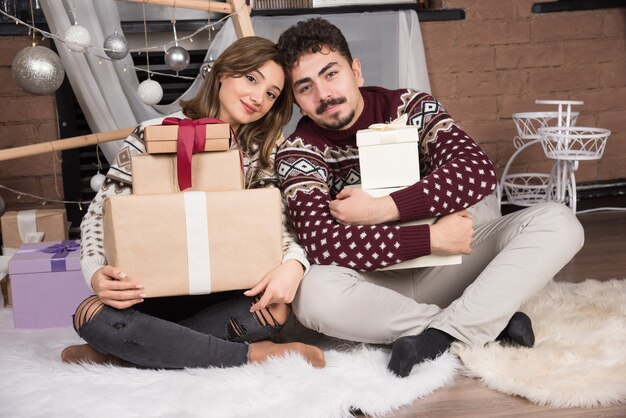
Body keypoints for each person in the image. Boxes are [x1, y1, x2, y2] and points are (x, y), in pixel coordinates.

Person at [273, 18, 584, 377]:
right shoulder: (298, 151)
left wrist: (380, 209)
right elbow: (325, 245)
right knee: (312, 295)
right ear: (295, 99)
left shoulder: (409, 106)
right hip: (370, 284)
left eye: (331, 74)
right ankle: (475, 325)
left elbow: (476, 171)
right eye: (305, 87)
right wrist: (430, 236)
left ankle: (439, 334)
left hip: (447, 265)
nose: (324, 94)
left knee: (558, 222)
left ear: (356, 71)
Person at [60, 36, 325, 370]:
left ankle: (125, 353)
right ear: (223, 73)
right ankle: (250, 355)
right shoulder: (154, 133)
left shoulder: (267, 152)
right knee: (91, 315)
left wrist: (294, 264)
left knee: (276, 310)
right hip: (152, 290)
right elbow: (99, 215)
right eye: (251, 79)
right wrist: (96, 271)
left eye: (271, 93)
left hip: (231, 293)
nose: (259, 97)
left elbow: (286, 224)